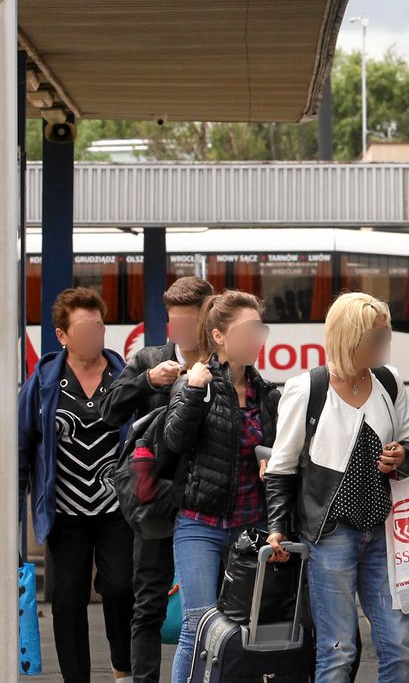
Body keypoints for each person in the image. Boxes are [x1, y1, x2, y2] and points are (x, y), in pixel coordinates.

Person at [264, 292, 409, 682]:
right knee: (338, 649)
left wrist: (401, 454)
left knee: (399, 647)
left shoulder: (389, 380)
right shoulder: (307, 388)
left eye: (385, 335)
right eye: (377, 337)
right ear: (350, 338)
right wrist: (277, 528)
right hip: (330, 534)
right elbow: (281, 468)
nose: (386, 344)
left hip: (385, 532)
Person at [97, 276, 214, 683]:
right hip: (156, 503)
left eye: (188, 324)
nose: (180, 333)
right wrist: (148, 382)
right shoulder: (150, 359)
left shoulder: (223, 361)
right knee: (147, 605)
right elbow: (108, 410)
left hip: (208, 502)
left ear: (208, 319)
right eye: (174, 324)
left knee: (212, 611)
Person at [18, 287, 133, 683]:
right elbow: (23, 443)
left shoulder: (124, 377)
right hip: (63, 510)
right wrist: (17, 509)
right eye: (83, 329)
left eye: (98, 327)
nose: (94, 336)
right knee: (67, 599)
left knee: (119, 586)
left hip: (116, 506)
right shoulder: (44, 383)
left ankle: (123, 666)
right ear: (62, 335)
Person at [165, 291, 279, 683]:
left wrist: (271, 461)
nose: (257, 339)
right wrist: (194, 392)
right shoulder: (196, 383)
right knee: (197, 624)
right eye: (249, 330)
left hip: (252, 528)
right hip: (200, 524)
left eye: (260, 329)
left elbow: (282, 454)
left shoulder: (268, 393)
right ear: (218, 336)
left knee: (245, 629)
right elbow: (173, 443)